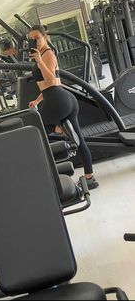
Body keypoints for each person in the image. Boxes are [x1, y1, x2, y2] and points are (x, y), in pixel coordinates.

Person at [28, 25, 98, 190]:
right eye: (31, 39)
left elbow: (51, 81)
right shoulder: (42, 55)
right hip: (60, 99)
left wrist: (39, 61)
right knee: (79, 140)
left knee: (34, 135)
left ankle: (59, 129)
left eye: (37, 38)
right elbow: (50, 85)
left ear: (46, 37)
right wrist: (37, 100)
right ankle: (89, 177)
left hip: (57, 101)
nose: (34, 41)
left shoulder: (47, 54)